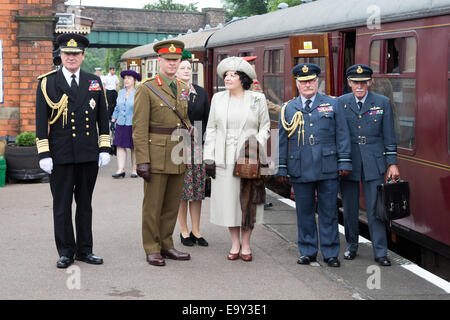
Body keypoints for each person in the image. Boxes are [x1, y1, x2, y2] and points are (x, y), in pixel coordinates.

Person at [35, 33, 111, 268]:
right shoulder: (48, 82)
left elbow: (103, 118)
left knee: (85, 204)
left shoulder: (93, 82)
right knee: (62, 205)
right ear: (60, 55)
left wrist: (104, 147)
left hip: (88, 154)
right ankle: (66, 251)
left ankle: (85, 250)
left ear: (83, 56)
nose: (71, 57)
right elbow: (40, 121)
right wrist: (44, 153)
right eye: (67, 54)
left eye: (76, 54)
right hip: (61, 155)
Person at [277, 63, 352, 267]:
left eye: (311, 80)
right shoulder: (288, 108)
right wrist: (282, 167)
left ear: (317, 82)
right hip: (300, 167)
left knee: (329, 211)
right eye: (303, 81)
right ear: (297, 84)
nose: (308, 84)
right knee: (304, 211)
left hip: (328, 165)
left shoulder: (332, 104)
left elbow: (342, 134)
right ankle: (308, 251)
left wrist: (344, 161)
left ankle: (330, 253)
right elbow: (283, 140)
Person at [204, 56, 271, 262]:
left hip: (248, 159)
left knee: (248, 202)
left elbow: (265, 127)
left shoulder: (257, 100)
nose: (228, 78)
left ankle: (247, 243)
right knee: (228, 203)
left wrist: (254, 145)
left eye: (233, 75)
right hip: (223, 158)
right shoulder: (217, 98)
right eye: (226, 75)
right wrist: (208, 156)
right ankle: (234, 243)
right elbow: (211, 128)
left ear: (243, 78)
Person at [132, 39, 192, 267]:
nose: (172, 64)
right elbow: (139, 127)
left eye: (176, 60)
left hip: (178, 151)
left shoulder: (184, 88)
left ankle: (167, 244)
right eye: (168, 60)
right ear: (159, 61)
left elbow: (184, 118)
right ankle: (152, 247)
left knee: (171, 203)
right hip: (155, 153)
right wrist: (142, 160)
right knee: (153, 204)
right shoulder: (146, 88)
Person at [338, 64, 400, 266]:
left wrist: (392, 163)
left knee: (375, 208)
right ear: (349, 83)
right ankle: (351, 246)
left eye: (363, 82)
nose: (359, 86)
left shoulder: (382, 102)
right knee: (349, 207)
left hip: (374, 161)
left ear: (370, 82)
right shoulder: (340, 103)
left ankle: (380, 252)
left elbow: (389, 135)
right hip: (348, 161)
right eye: (355, 82)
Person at [176, 50, 211, 247]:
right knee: (182, 191)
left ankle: (197, 231)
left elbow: (207, 119)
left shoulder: (201, 92)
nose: (187, 71)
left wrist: (203, 141)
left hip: (197, 145)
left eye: (189, 68)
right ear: (176, 70)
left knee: (197, 191)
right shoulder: (172, 91)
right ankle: (184, 230)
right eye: (183, 68)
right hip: (178, 144)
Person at [111, 70, 141, 178]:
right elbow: (117, 107)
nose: (126, 80)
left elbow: (141, 110)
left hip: (133, 124)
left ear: (134, 80)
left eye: (129, 78)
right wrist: (113, 120)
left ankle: (134, 170)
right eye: (125, 78)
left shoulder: (138, 93)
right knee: (120, 146)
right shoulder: (121, 92)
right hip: (121, 123)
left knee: (134, 147)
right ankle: (120, 170)